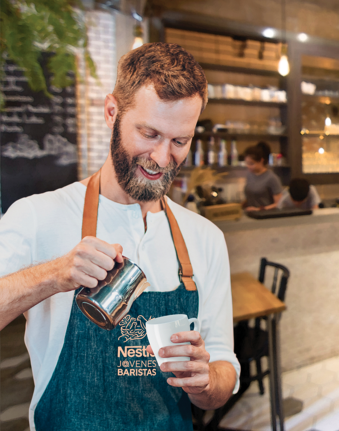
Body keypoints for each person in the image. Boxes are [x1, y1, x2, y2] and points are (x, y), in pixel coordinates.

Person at [0, 43, 239, 430]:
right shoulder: (36, 216)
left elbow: (224, 366)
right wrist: (54, 275)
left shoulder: (205, 237)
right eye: (149, 133)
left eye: (180, 141)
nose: (162, 158)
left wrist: (207, 381)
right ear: (112, 112)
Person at [242, 143, 282, 211]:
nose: (248, 166)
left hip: (266, 216)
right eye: (247, 163)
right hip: (251, 214)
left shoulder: (272, 178)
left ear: (261, 160)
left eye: (251, 163)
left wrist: (259, 209)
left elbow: (279, 203)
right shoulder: (249, 175)